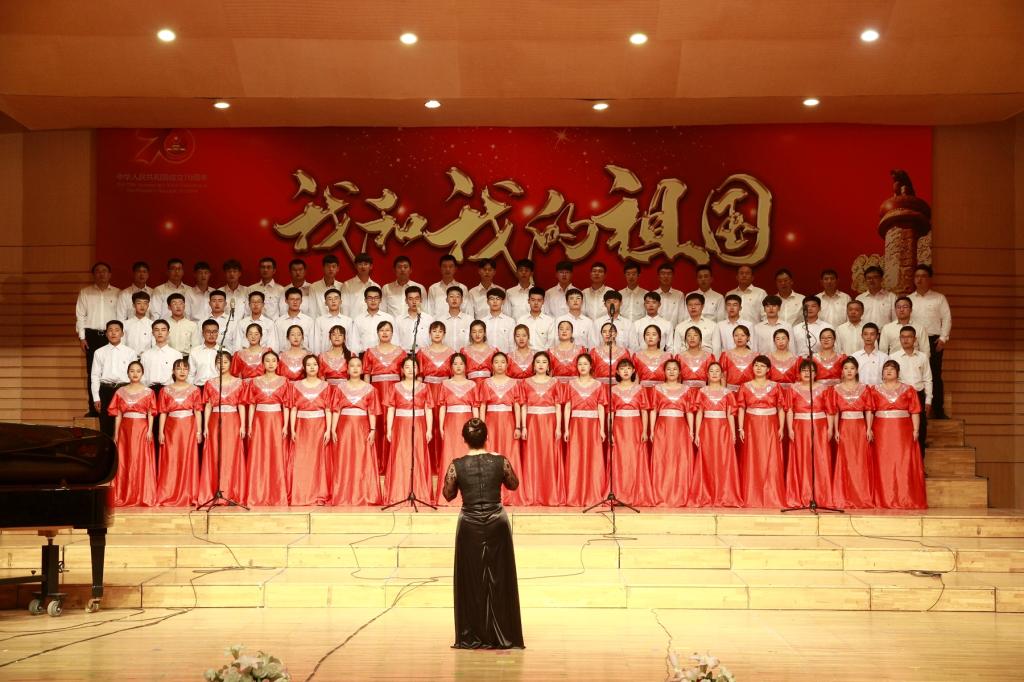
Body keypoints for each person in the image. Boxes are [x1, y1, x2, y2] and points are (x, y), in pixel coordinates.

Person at [442, 418, 524, 650]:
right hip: (497, 523)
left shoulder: (456, 465)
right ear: (487, 437)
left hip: (469, 525)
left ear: (464, 439)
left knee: (471, 581)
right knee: (500, 578)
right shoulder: (500, 461)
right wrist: (498, 461)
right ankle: (503, 634)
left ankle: (473, 635)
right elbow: (514, 484)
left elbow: (448, 494)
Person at [870, 360, 927, 509]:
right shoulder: (874, 390)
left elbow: (915, 411)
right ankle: (883, 498)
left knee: (903, 462)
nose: (888, 371)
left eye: (892, 369)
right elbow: (870, 411)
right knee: (883, 463)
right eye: (886, 369)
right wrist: (869, 428)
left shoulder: (909, 390)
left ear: (898, 372)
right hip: (882, 430)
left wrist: (916, 430)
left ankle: (904, 497)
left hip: (902, 431)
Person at [330, 355, 383, 506]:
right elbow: (336, 410)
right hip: (344, 428)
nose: (355, 368)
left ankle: (364, 494)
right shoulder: (340, 388)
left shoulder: (370, 389)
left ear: (362, 369)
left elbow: (372, 411)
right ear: (347, 369)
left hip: (362, 427)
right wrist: (333, 429)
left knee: (362, 458)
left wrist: (372, 429)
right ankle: (343, 495)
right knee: (345, 458)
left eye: (358, 365)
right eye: (352, 365)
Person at [736, 356, 787, 508]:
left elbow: (781, 408)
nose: (758, 368)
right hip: (751, 425)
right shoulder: (745, 386)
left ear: (768, 369)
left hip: (770, 425)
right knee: (753, 458)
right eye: (756, 365)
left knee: (770, 458)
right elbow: (741, 408)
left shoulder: (776, 386)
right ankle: (752, 496)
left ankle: (772, 495)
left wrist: (781, 427)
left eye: (762, 366)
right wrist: (740, 428)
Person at [785, 360, 836, 508]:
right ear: (799, 373)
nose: (807, 373)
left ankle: (821, 495)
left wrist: (830, 429)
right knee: (802, 459)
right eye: (804, 370)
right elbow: (789, 410)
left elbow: (829, 410)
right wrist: (790, 428)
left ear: (816, 373)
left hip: (819, 426)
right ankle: (803, 494)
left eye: (811, 370)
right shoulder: (793, 388)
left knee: (820, 459)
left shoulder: (824, 389)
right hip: (800, 426)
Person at [691, 362, 742, 507]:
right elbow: (699, 413)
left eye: (717, 371)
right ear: (707, 374)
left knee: (723, 460)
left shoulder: (728, 392)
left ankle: (724, 494)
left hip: (723, 429)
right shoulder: (702, 391)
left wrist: (733, 433)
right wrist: (697, 433)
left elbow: (730, 414)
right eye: (711, 371)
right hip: (707, 428)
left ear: (722, 375)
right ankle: (706, 494)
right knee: (707, 460)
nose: (714, 373)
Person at [199, 351, 248, 504]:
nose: (222, 365)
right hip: (215, 420)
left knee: (231, 455)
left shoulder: (239, 383)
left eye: (225, 362)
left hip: (233, 420)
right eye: (219, 362)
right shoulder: (209, 383)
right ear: (215, 364)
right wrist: (205, 426)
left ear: (231, 364)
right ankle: (214, 491)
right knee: (215, 454)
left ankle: (232, 492)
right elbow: (208, 405)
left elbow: (241, 405)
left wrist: (243, 425)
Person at [477, 353, 526, 506]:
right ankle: (489, 494)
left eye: (503, 362)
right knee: (489, 454)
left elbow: (517, 406)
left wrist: (518, 426)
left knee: (510, 454)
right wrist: (481, 427)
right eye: (496, 362)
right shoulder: (485, 383)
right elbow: (483, 406)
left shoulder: (515, 383)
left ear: (507, 365)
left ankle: (512, 495)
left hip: (508, 423)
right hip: (491, 422)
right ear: (492, 365)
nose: (499, 365)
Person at [385, 355, 435, 504]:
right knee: (401, 455)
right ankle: (398, 493)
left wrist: (429, 430)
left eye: (413, 367)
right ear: (402, 370)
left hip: (418, 424)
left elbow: (428, 409)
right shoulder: (394, 387)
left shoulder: (425, 387)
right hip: (400, 426)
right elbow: (391, 409)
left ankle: (420, 492)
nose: (410, 370)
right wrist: (389, 429)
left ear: (418, 369)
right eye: (406, 367)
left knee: (418, 455)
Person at [108, 360, 157, 506]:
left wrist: (150, 430)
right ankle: (124, 494)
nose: (135, 374)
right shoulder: (120, 392)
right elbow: (118, 415)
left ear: (142, 374)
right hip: (125, 429)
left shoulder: (149, 392)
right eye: (132, 371)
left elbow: (151, 413)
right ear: (128, 373)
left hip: (142, 429)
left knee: (140, 460)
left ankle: (142, 495)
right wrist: (116, 434)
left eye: (138, 371)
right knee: (125, 460)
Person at [649, 359, 697, 507]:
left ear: (680, 372)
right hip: (662, 427)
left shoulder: (686, 389)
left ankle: (681, 494)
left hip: (680, 428)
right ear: (664, 372)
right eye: (668, 369)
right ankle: (661, 494)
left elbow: (689, 411)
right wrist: (652, 429)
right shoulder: (657, 389)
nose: (671, 371)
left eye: (675, 369)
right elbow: (653, 410)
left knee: (680, 459)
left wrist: (692, 430)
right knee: (663, 459)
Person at [245, 351, 290, 507]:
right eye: (267, 361)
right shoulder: (254, 381)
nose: (270, 363)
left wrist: (285, 425)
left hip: (277, 420)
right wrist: (250, 425)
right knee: (259, 454)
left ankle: (277, 494)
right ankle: (257, 493)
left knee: (276, 454)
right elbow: (252, 404)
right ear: (262, 364)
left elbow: (286, 405)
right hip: (259, 421)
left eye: (273, 361)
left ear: (278, 364)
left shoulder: (284, 381)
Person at [830, 358, 876, 509]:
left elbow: (868, 409)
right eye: (846, 368)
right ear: (842, 371)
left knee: (860, 461)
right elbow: (835, 411)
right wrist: (836, 430)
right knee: (845, 461)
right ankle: (844, 495)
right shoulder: (836, 389)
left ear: (856, 371)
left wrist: (869, 428)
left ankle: (861, 496)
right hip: (844, 427)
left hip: (860, 427)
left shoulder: (865, 388)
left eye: (852, 368)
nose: (849, 371)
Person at [519, 352, 564, 506]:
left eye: (544, 362)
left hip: (549, 423)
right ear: (533, 365)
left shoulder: (555, 382)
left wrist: (558, 427)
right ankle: (532, 494)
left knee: (549, 456)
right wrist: (523, 426)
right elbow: (524, 405)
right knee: (532, 457)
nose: (541, 364)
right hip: (532, 423)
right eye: (538, 361)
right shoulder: (525, 383)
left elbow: (558, 406)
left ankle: (550, 495)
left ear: (548, 366)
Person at [155, 358, 202, 506]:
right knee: (171, 460)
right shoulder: (165, 390)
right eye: (179, 368)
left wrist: (199, 431)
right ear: (173, 371)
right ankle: (168, 493)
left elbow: (198, 411)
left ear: (189, 371)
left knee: (188, 459)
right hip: (171, 428)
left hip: (189, 427)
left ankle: (189, 494)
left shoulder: (195, 390)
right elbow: (163, 412)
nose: (182, 371)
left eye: (185, 368)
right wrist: (160, 432)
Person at [608, 358, 655, 506]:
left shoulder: (640, 389)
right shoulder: (612, 390)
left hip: (635, 427)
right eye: (622, 368)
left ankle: (636, 494)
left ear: (633, 371)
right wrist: (610, 431)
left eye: (628, 368)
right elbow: (611, 413)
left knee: (635, 459)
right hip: (619, 427)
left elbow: (644, 411)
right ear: (617, 372)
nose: (625, 371)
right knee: (620, 460)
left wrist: (645, 430)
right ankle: (619, 493)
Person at [562, 354, 607, 506]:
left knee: (593, 458)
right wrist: (566, 428)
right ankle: (575, 494)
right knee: (576, 458)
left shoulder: (599, 385)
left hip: (593, 425)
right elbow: (567, 407)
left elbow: (601, 407)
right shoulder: (571, 384)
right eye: (580, 364)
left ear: (591, 366)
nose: (582, 367)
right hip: (576, 425)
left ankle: (593, 493)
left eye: (585, 364)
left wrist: (602, 429)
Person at [287, 355, 331, 505]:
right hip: (302, 426)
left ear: (319, 367)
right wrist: (292, 429)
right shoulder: (296, 386)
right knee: (301, 459)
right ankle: (300, 493)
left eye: (315, 364)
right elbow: (293, 408)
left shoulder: (325, 386)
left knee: (318, 460)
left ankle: (318, 493)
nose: (312, 367)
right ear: (304, 368)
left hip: (319, 426)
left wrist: (328, 429)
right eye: (309, 365)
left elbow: (328, 409)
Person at [435, 354, 479, 505]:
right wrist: (441, 426)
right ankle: (447, 494)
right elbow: (442, 406)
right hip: (450, 422)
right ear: (451, 366)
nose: (458, 366)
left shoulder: (472, 385)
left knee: (468, 454)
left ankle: (471, 495)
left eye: (461, 364)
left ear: (466, 366)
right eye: (455, 363)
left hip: (467, 422)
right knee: (450, 454)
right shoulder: (445, 384)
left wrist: (477, 426)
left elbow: (475, 407)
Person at [908, 264, 951, 419]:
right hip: (913, 341)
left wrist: (943, 338)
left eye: (923, 276)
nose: (919, 279)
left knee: (934, 374)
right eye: (917, 276)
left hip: (934, 341)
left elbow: (946, 318)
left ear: (930, 279)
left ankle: (938, 410)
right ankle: (912, 408)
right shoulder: (909, 299)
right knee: (912, 372)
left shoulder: (939, 298)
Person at [362, 321, 405, 471]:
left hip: (395, 391)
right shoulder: (370, 352)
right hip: (376, 391)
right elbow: (366, 374)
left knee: (393, 424)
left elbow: (404, 376)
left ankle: (393, 463)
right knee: (377, 424)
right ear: (377, 333)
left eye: (388, 330)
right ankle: (377, 462)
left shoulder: (400, 352)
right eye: (382, 330)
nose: (385, 333)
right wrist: (366, 393)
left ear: (392, 333)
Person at [91, 320, 138, 438]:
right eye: (110, 330)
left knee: (125, 425)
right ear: (106, 333)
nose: (113, 333)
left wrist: (134, 395)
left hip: (124, 390)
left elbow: (135, 375)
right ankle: (108, 450)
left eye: (117, 330)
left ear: (122, 333)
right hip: (105, 390)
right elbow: (95, 375)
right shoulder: (99, 352)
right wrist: (96, 398)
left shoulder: (130, 352)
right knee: (106, 426)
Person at [889, 325, 933, 453]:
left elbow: (927, 379)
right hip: (901, 397)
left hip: (918, 395)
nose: (906, 339)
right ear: (899, 339)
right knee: (901, 429)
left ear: (915, 339)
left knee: (921, 430)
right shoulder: (893, 357)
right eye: (903, 337)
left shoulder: (923, 357)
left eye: (909, 337)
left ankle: (919, 462)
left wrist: (928, 400)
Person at [350, 286, 394, 354]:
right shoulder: (358, 319)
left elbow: (394, 340)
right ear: (365, 300)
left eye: (376, 298)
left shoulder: (388, 318)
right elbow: (354, 342)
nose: (373, 301)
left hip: (385, 354)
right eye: (370, 298)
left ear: (380, 300)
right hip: (364, 354)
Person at [273, 287, 314, 353]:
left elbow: (312, 344)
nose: (295, 302)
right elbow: (276, 344)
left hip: (305, 356)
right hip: (283, 357)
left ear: (301, 301)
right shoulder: (279, 322)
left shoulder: (309, 321)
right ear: (286, 301)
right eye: (292, 299)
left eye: (298, 299)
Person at [313, 289, 353, 355]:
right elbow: (316, 342)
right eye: (330, 299)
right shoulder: (319, 321)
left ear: (340, 301)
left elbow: (350, 342)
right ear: (325, 303)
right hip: (324, 357)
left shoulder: (348, 321)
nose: (333, 301)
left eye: (336, 298)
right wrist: (317, 357)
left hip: (343, 357)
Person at [395, 285, 434, 352]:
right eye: (410, 299)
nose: (414, 302)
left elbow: (433, 340)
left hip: (424, 354)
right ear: (406, 301)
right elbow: (395, 340)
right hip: (405, 354)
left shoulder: (429, 319)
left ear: (421, 300)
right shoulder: (398, 320)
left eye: (417, 298)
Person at [516, 286, 555, 352]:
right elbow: (517, 340)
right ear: (528, 301)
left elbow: (551, 343)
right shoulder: (521, 320)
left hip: (543, 356)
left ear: (543, 302)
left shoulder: (549, 321)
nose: (536, 303)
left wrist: (541, 355)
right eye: (533, 300)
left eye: (539, 300)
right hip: (525, 355)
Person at [634, 325, 673, 389]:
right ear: (644, 338)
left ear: (659, 338)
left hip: (662, 391)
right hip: (643, 391)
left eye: (654, 334)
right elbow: (635, 377)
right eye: (647, 334)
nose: (650, 337)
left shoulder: (667, 356)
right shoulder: (637, 356)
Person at [436, 286, 474, 352]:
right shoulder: (440, 320)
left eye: (457, 297)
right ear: (446, 300)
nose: (454, 299)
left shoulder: (470, 320)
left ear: (462, 300)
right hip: (445, 355)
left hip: (464, 355)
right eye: (451, 296)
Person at [719, 325, 756, 390]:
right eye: (736, 335)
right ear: (733, 337)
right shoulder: (726, 355)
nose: (739, 338)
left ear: (748, 337)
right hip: (731, 392)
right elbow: (723, 377)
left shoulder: (755, 356)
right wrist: (724, 393)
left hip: (749, 392)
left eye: (743, 335)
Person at [186, 320, 221, 389]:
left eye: (214, 331)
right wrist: (193, 389)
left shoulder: (224, 352)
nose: (211, 334)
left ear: (218, 333)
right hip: (199, 387)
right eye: (208, 331)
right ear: (203, 333)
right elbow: (190, 374)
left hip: (217, 388)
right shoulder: (194, 351)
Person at [481, 288, 516, 353]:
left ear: (503, 301)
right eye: (492, 299)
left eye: (498, 299)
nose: (495, 301)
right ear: (487, 301)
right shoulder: (482, 322)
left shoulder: (510, 322)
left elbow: (512, 345)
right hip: (486, 357)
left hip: (505, 357)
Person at [308, 254, 342, 319]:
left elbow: (343, 308)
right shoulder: (314, 287)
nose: (331, 269)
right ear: (323, 268)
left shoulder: (342, 287)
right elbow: (312, 310)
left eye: (333, 266)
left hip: (338, 322)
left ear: (338, 269)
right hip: (320, 322)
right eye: (328, 266)